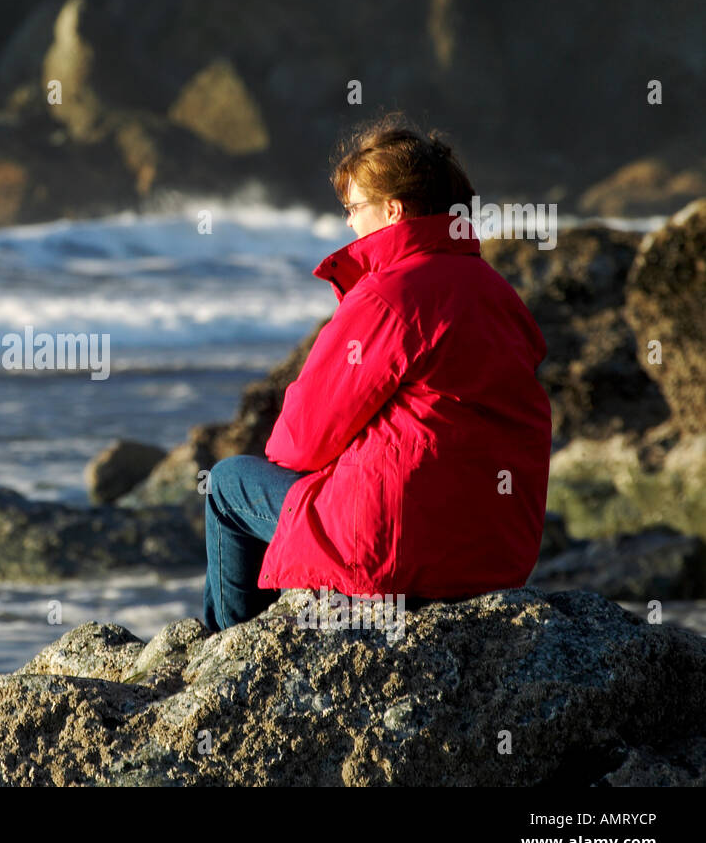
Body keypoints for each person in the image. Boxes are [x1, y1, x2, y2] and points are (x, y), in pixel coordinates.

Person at [202, 113, 552, 632]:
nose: (348, 223)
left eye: (354, 207)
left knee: (229, 484)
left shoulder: (390, 295)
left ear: (393, 210)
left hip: (399, 553)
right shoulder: (497, 293)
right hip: (496, 557)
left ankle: (225, 656)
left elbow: (302, 440)